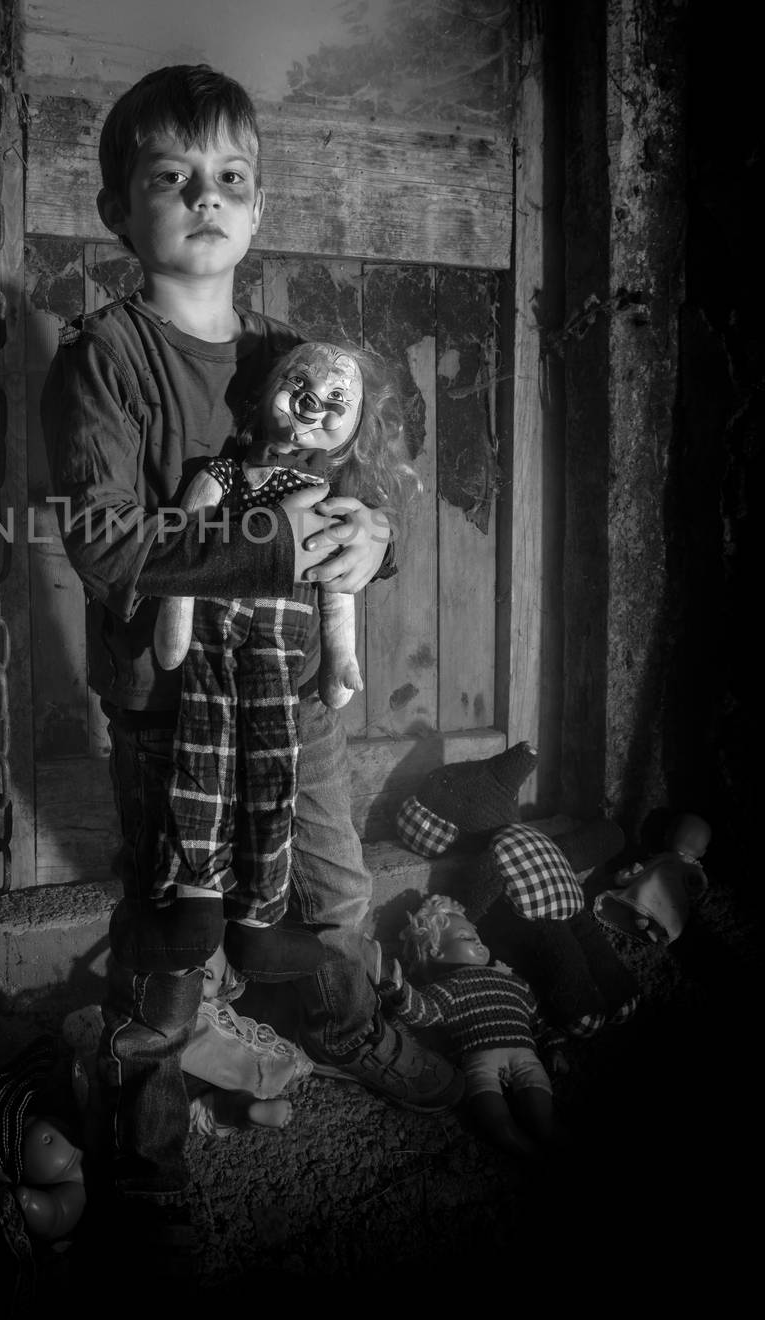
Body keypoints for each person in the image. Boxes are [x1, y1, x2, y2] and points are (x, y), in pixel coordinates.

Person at [40, 63, 464, 1267]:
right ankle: (142, 1106)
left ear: (262, 207)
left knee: (309, 904)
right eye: (171, 179)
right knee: (180, 918)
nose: (204, 198)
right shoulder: (105, 359)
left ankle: (354, 1022)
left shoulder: (291, 353)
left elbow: (360, 492)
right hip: (170, 705)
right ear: (122, 209)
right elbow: (109, 541)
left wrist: (374, 539)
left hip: (291, 698)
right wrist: (269, 536)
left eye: (230, 178)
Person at [151, 338, 420, 979]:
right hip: (211, 658)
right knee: (202, 766)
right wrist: (175, 619)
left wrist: (340, 658)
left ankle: (266, 928)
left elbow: (339, 583)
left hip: (287, 675)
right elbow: (184, 549)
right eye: (299, 387)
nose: (311, 405)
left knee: (291, 809)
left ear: (357, 429)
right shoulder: (216, 477)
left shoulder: (329, 493)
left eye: (337, 402)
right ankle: (199, 899)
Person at [390, 896, 568, 1159]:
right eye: (466, 938)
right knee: (490, 1108)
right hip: (478, 1056)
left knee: (539, 1099)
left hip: (525, 1053)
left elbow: (537, 1020)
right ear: (436, 952)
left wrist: (555, 1048)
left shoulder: (515, 982)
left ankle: (547, 1133)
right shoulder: (448, 987)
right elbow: (424, 1012)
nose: (478, 942)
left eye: (477, 937)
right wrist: (401, 992)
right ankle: (517, 1144)